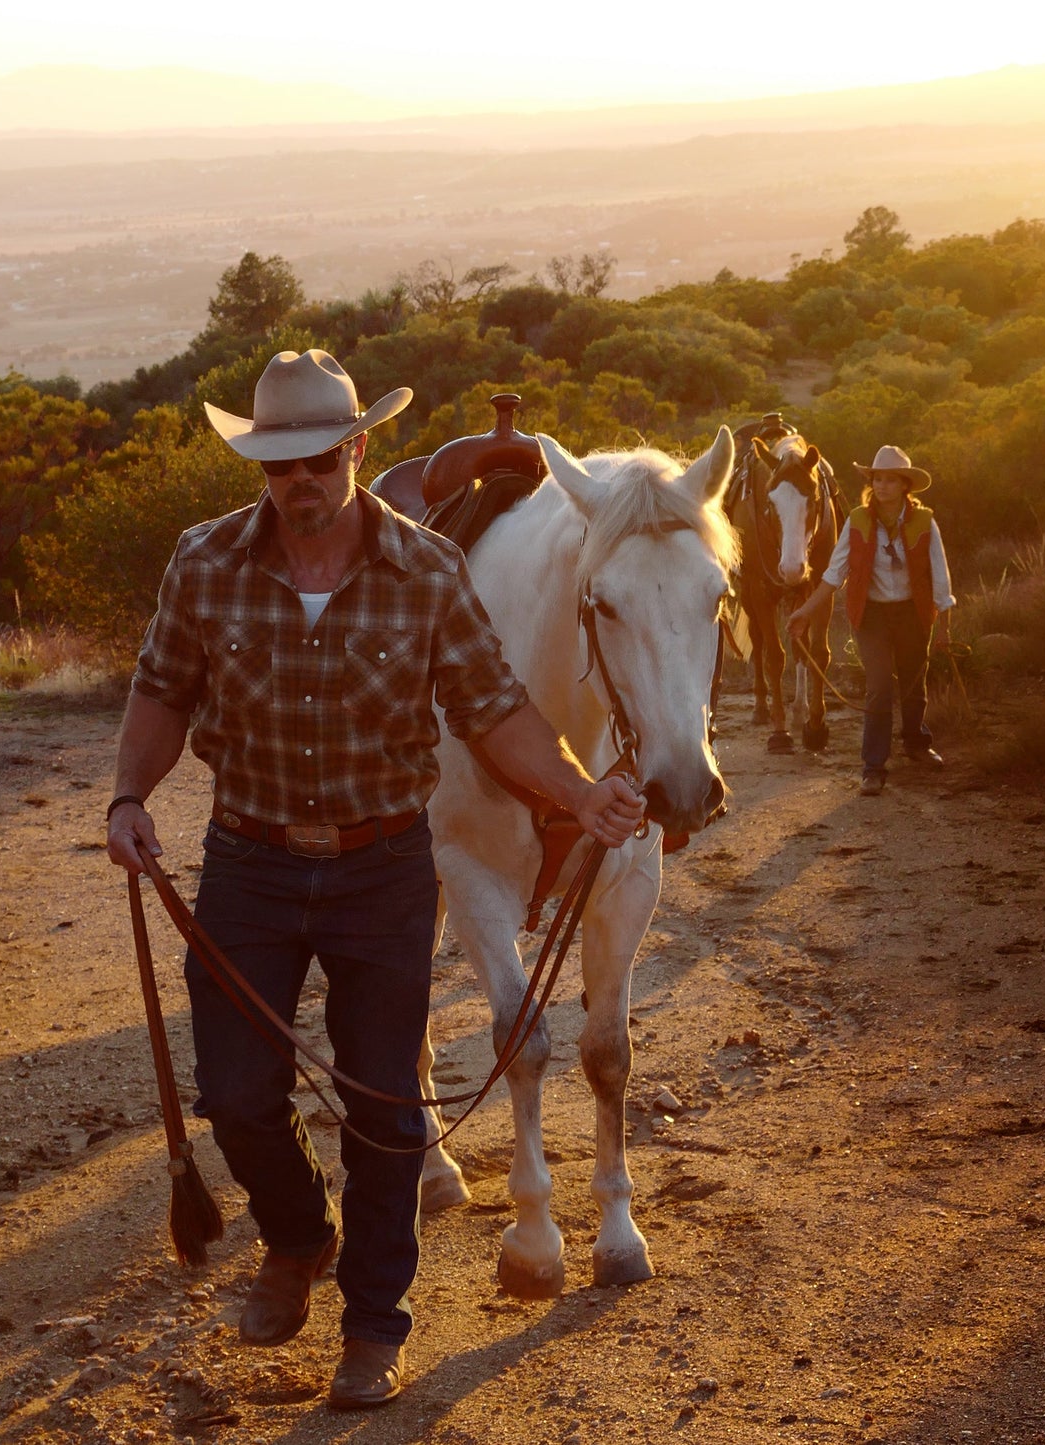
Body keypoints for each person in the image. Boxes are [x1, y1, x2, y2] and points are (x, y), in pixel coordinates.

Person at [105, 349, 644, 1410]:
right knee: (236, 1094)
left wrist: (579, 794)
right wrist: (129, 796)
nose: (299, 481)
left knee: (386, 1107)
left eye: (319, 458)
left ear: (357, 448)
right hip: (249, 857)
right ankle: (298, 1233)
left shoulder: (426, 569)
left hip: (383, 864)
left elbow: (494, 710)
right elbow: (162, 688)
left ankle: (372, 1327)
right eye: (279, 464)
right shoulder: (204, 560)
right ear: (260, 465)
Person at [788, 444, 955, 796]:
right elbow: (833, 576)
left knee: (913, 684)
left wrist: (944, 627)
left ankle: (916, 743)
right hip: (871, 615)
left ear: (905, 485)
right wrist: (804, 612)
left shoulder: (925, 522)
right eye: (877, 479)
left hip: (913, 613)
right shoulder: (857, 521)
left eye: (890, 480)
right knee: (878, 687)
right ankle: (874, 766)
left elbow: (940, 577)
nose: (882, 486)